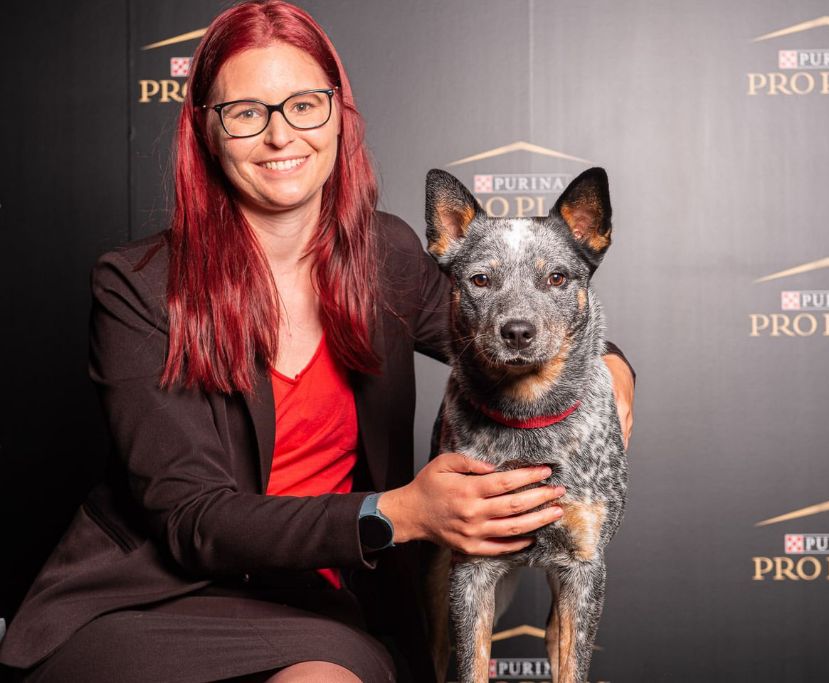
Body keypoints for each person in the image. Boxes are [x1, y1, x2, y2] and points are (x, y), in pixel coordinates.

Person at [0, 1, 635, 681]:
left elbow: (505, 324)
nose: (281, 135)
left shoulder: (386, 255)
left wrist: (614, 371)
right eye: (246, 112)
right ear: (206, 129)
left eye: (304, 105)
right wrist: (398, 513)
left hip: (320, 604)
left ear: (338, 115)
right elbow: (191, 520)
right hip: (151, 599)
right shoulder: (138, 286)